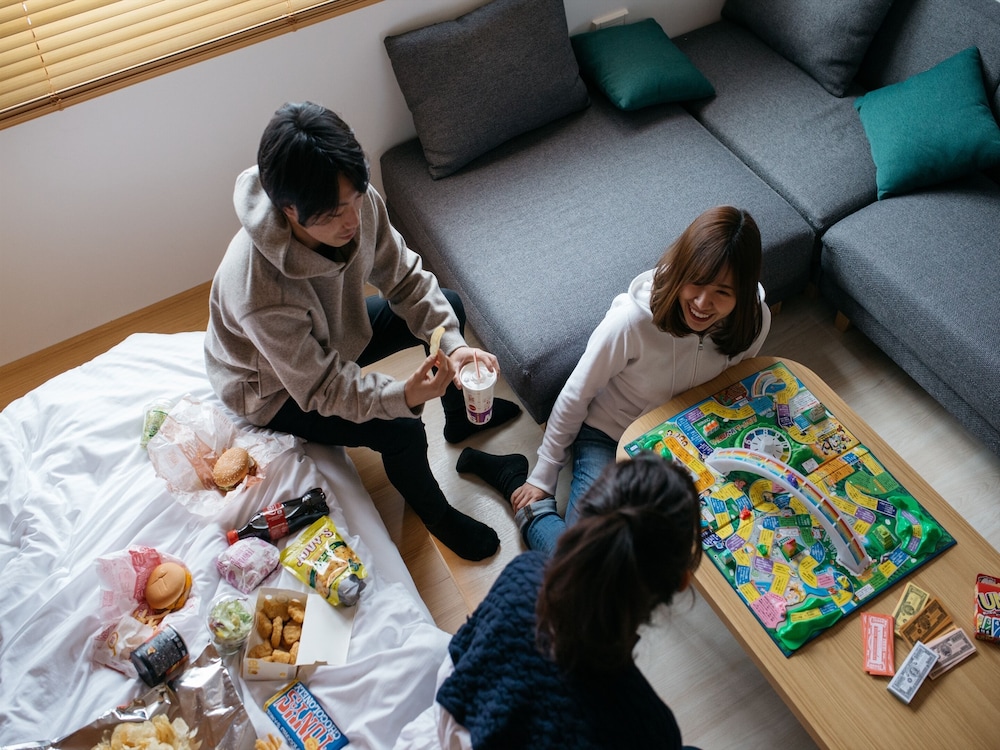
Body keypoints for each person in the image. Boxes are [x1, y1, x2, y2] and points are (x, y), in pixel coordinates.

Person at [204, 102, 521, 561]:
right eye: (334, 214)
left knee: (445, 309)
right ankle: (437, 516)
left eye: (356, 200)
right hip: (275, 387)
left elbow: (406, 279)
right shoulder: (257, 287)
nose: (352, 222)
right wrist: (403, 397)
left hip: (330, 335)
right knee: (401, 429)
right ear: (290, 210)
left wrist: (453, 346)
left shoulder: (355, 200)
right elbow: (321, 385)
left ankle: (460, 415)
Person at [457, 205, 770, 554]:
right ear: (682, 270)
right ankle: (521, 491)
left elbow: (736, 387)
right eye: (695, 282)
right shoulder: (632, 321)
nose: (701, 303)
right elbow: (576, 394)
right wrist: (544, 475)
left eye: (722, 293)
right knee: (583, 561)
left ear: (741, 294)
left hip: (681, 437)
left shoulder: (753, 322)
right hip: (608, 437)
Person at [394, 454, 704, 749]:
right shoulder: (650, 728)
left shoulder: (524, 573)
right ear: (681, 582)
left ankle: (523, 495)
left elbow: (456, 664)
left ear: (579, 527)